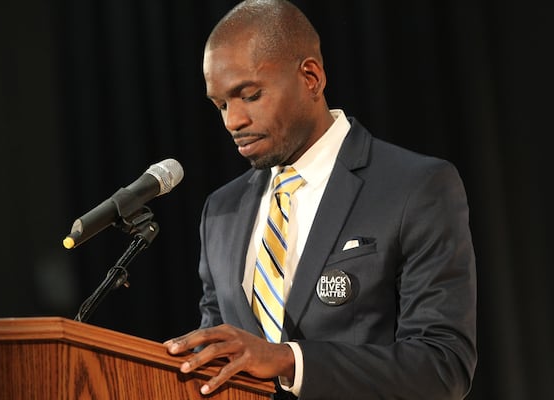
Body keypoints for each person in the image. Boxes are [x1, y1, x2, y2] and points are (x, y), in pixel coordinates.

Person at [163, 1, 477, 399]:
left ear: (311, 77)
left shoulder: (414, 186)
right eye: (221, 105)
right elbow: (219, 357)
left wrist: (290, 360)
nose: (232, 121)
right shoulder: (221, 211)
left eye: (250, 95)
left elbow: (442, 366)